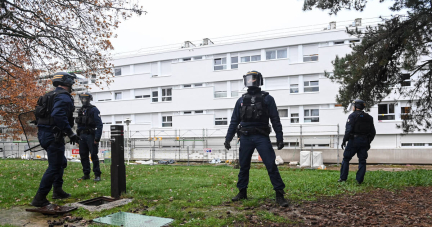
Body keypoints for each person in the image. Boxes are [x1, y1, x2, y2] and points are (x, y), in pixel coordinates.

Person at [224, 70, 289, 207]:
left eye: (254, 79)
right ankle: (242, 192)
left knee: (271, 164)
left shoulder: (267, 99)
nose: (251, 81)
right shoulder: (241, 100)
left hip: (261, 136)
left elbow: (275, 119)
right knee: (243, 166)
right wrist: (228, 138)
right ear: (245, 80)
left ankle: (279, 194)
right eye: (249, 79)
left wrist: (280, 137)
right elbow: (234, 121)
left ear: (259, 80)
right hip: (245, 137)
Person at [31, 72, 80, 207]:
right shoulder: (63, 97)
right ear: (68, 83)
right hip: (53, 135)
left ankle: (57, 191)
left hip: (44, 134)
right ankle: (40, 198)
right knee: (55, 166)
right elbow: (57, 115)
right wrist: (70, 133)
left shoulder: (48, 95)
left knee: (61, 162)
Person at [338, 99, 376, 184]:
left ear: (356, 107)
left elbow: (348, 130)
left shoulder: (352, 116)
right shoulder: (369, 117)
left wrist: (344, 140)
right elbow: (373, 132)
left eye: (353, 106)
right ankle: (359, 180)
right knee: (362, 160)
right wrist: (368, 141)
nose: (352, 107)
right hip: (364, 141)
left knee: (346, 158)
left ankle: (343, 178)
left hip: (354, 141)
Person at [76, 92, 103, 181]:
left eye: (85, 98)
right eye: (82, 98)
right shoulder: (81, 110)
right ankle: (86, 174)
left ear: (89, 99)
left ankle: (97, 174)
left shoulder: (94, 110)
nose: (84, 100)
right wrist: (77, 137)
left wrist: (97, 138)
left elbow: (99, 125)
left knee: (94, 155)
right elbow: (79, 125)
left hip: (91, 135)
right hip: (82, 136)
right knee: (83, 155)